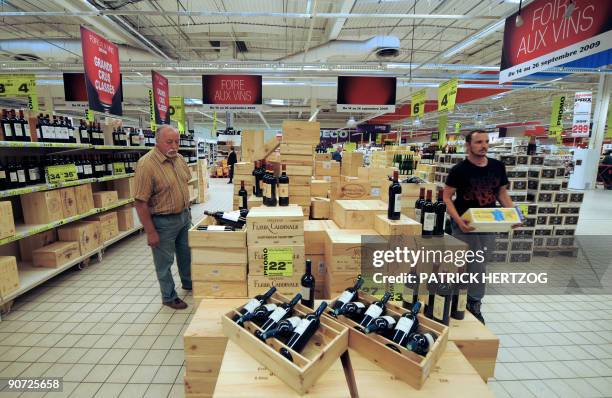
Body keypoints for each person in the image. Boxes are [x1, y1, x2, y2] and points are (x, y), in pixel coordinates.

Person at [442, 130, 516, 324]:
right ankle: (461, 300)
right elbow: (446, 197)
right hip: (464, 225)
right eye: (478, 142)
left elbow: (501, 193)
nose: (484, 145)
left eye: (486, 142)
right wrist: (458, 221)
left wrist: (513, 214)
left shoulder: (497, 167)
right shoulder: (459, 170)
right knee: (465, 265)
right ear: (468, 145)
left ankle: (471, 302)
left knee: (478, 265)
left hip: (488, 223)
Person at [134, 125, 192, 310]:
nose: (174, 146)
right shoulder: (146, 164)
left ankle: (188, 282)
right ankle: (168, 296)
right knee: (164, 262)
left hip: (183, 216)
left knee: (186, 255)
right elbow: (140, 202)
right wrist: (150, 232)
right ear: (157, 141)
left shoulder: (179, 159)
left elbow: (184, 181)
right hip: (163, 222)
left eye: (177, 141)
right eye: (169, 142)